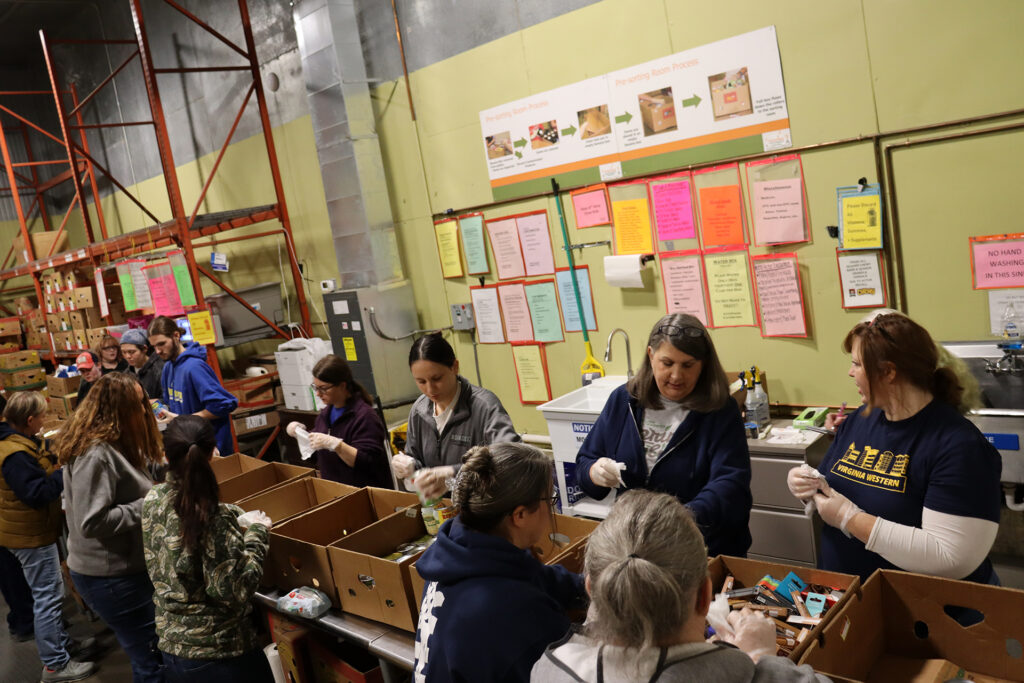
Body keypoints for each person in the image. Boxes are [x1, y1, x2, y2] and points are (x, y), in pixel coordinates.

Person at [788, 313, 1002, 583]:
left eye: (857, 364)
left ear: (888, 372)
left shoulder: (959, 446)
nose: (850, 372)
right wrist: (807, 484)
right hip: (851, 597)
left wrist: (849, 519)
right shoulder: (860, 419)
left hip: (921, 613)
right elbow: (833, 484)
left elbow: (951, 558)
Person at [532, 490, 829, 682]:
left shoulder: (548, 671)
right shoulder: (745, 675)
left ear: (590, 589)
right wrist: (761, 658)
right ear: (704, 595)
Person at [574, 313, 752, 557]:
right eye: (667, 363)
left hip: (700, 549)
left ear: (703, 365)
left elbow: (730, 486)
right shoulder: (624, 401)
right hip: (635, 547)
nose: (676, 376)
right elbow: (584, 462)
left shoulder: (719, 411)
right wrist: (594, 472)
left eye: (688, 365)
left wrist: (676, 521)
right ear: (651, 355)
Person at [414, 442, 586, 683]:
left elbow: (535, 575)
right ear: (520, 515)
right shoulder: (515, 610)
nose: (552, 507)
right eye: (550, 497)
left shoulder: (460, 554)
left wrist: (588, 585)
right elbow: (571, 669)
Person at [142, 415, 274, 683]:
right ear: (213, 453)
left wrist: (231, 516)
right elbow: (235, 589)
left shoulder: (153, 498)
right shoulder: (210, 516)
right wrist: (258, 532)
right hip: (220, 653)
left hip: (173, 647)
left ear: (165, 454)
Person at [55, 373, 165, 683]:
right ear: (120, 409)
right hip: (112, 577)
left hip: (119, 572)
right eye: (140, 403)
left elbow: (133, 475)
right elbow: (93, 521)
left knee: (151, 654)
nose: (147, 409)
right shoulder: (96, 453)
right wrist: (153, 502)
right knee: (152, 660)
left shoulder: (112, 443)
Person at [0, 391, 96, 682]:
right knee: (48, 598)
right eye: (41, 416)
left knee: (47, 596)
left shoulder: (15, 441)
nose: (44, 421)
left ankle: (62, 647)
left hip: (28, 531)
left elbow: (38, 454)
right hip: (30, 536)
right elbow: (35, 493)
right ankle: (56, 665)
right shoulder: (14, 455)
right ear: (29, 420)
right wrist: (63, 473)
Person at [391, 333, 519, 499]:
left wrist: (453, 473)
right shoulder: (419, 410)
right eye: (421, 382)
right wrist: (409, 466)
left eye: (436, 378)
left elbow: (511, 460)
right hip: (439, 510)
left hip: (480, 511)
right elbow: (416, 460)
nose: (430, 389)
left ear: (454, 367)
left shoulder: (484, 406)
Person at [285, 354, 390, 487]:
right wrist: (300, 435)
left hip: (363, 493)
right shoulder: (325, 415)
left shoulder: (364, 417)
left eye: (323, 388)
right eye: (316, 387)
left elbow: (366, 462)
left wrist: (338, 446)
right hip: (336, 490)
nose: (318, 393)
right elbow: (316, 457)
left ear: (342, 385)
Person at [148, 315, 239, 457]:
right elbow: (173, 404)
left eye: (161, 344)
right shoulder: (168, 368)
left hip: (211, 450)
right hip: (188, 448)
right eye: (154, 346)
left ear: (176, 336)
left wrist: (181, 419)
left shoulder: (194, 367)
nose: (158, 351)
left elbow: (224, 405)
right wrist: (158, 406)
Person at [120, 328, 165, 400]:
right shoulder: (126, 375)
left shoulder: (160, 369)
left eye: (131, 352)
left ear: (144, 349)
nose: (127, 356)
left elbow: (168, 399)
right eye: (124, 352)